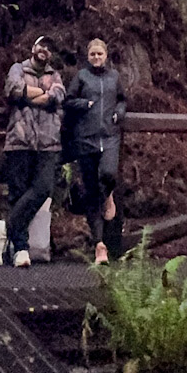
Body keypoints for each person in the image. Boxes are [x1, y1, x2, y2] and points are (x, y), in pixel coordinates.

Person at [0, 34, 65, 269]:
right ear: (34, 47)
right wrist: (40, 94)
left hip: (48, 142)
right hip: (20, 140)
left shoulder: (55, 75)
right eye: (42, 45)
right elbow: (13, 89)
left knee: (44, 188)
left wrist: (28, 94)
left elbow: (58, 96)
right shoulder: (17, 68)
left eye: (49, 48)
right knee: (18, 192)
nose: (45, 50)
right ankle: (21, 249)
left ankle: (6, 227)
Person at [65, 37, 126, 265]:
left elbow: (122, 100)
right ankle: (100, 245)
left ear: (106, 55)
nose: (96, 58)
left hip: (109, 136)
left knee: (108, 174)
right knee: (91, 191)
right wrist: (85, 105)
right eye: (93, 54)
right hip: (86, 138)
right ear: (88, 56)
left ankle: (109, 196)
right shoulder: (82, 76)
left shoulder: (114, 77)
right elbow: (68, 101)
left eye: (100, 54)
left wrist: (119, 114)